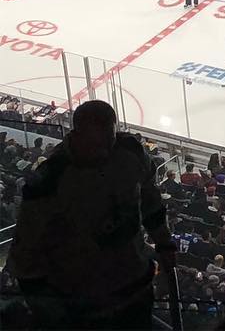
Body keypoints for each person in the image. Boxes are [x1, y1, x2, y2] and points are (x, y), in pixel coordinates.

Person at [9, 99, 175, 330]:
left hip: (136, 287)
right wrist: (51, 313)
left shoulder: (130, 151)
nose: (106, 151)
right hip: (85, 304)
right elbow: (25, 257)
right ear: (76, 135)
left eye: (110, 140)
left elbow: (150, 200)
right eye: (96, 144)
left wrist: (164, 242)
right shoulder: (50, 181)